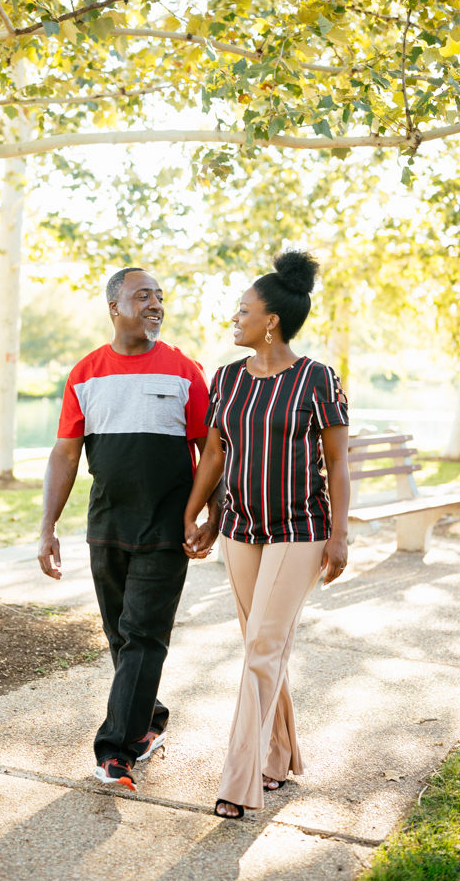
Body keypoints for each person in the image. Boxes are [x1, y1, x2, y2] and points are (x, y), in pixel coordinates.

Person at [38, 267, 221, 792]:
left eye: (160, 298)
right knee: (121, 633)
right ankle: (149, 717)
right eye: (143, 296)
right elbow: (66, 452)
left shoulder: (185, 370)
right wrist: (47, 526)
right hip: (107, 524)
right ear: (115, 306)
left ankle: (116, 750)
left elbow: (211, 451)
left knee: (143, 635)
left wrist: (211, 513)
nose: (156, 305)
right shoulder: (86, 373)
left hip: (167, 526)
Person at [183, 250, 350, 819]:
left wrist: (341, 535)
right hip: (239, 528)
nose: (235, 317)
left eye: (243, 310)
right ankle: (278, 756)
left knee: (262, 646)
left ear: (271, 320)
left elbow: (338, 464)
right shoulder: (228, 378)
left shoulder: (316, 378)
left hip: (300, 529)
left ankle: (238, 780)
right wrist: (198, 514)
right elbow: (215, 452)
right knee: (262, 646)